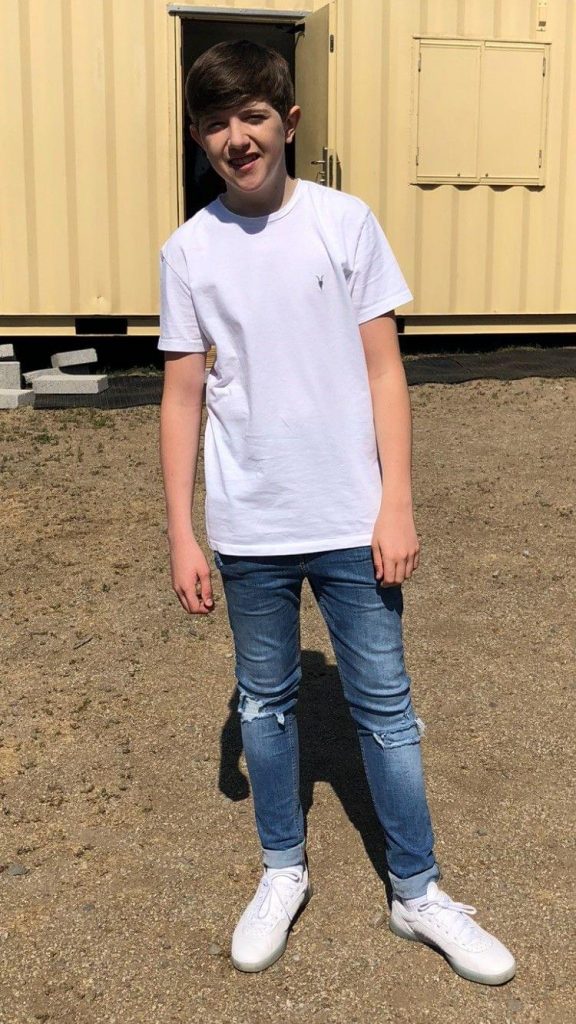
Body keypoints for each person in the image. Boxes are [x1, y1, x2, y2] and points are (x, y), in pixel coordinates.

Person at [158, 39, 516, 985]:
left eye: (254, 118)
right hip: (251, 528)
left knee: (387, 713)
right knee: (266, 705)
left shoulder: (345, 223)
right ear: (199, 137)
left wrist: (396, 503)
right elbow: (182, 397)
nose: (237, 140)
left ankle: (418, 890)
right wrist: (183, 530)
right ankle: (283, 869)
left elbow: (384, 369)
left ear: (290, 122)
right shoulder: (188, 250)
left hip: (355, 523)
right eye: (215, 124)